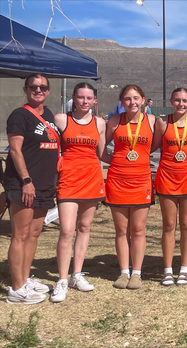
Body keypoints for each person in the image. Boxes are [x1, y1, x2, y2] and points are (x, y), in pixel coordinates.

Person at [4, 74, 59, 304]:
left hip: (45, 185)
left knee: (34, 234)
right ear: (26, 89)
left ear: (48, 90)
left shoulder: (49, 115)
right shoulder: (19, 115)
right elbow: (15, 150)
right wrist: (26, 180)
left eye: (43, 87)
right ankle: (16, 289)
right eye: (34, 87)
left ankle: (25, 279)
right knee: (21, 234)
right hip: (24, 184)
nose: (38, 90)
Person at [50, 83, 107, 302]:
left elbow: (102, 154)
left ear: (94, 100)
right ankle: (62, 280)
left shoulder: (99, 123)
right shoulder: (60, 120)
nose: (84, 101)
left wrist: (131, 163)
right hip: (68, 180)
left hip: (91, 179)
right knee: (66, 230)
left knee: (84, 227)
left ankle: (77, 275)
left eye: (89, 98)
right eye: (81, 97)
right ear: (73, 98)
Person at [103, 85, 157, 290]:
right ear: (121, 101)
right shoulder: (114, 121)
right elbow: (101, 149)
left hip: (141, 181)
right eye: (127, 99)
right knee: (121, 230)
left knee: (138, 229)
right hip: (117, 180)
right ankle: (124, 272)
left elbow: (155, 146)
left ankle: (137, 273)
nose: (132, 102)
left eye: (136, 98)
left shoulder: (152, 121)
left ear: (143, 100)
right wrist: (116, 162)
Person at [152, 88, 187, 286]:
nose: (181, 104)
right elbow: (154, 146)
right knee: (168, 225)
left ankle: (184, 269)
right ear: (171, 101)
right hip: (167, 178)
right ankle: (167, 270)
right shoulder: (162, 122)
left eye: (185, 101)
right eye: (177, 100)